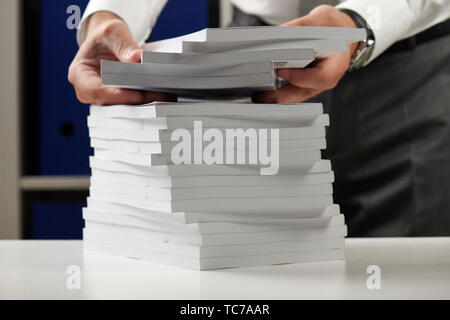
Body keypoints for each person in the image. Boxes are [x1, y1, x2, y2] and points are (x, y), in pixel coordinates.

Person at [69, 0, 450, 236]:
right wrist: (112, 11)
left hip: (401, 57)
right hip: (249, 56)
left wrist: (361, 23)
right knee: (247, 269)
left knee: (400, 268)